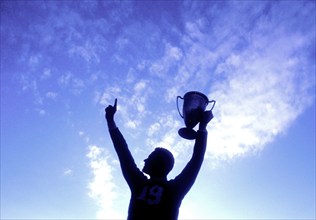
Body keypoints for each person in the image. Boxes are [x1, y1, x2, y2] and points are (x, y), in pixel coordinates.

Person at [105, 98, 213, 220]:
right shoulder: (175, 189)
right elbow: (196, 160)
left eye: (149, 158)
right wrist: (202, 127)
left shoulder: (138, 183)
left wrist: (110, 121)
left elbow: (122, 151)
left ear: (158, 163)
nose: (145, 160)